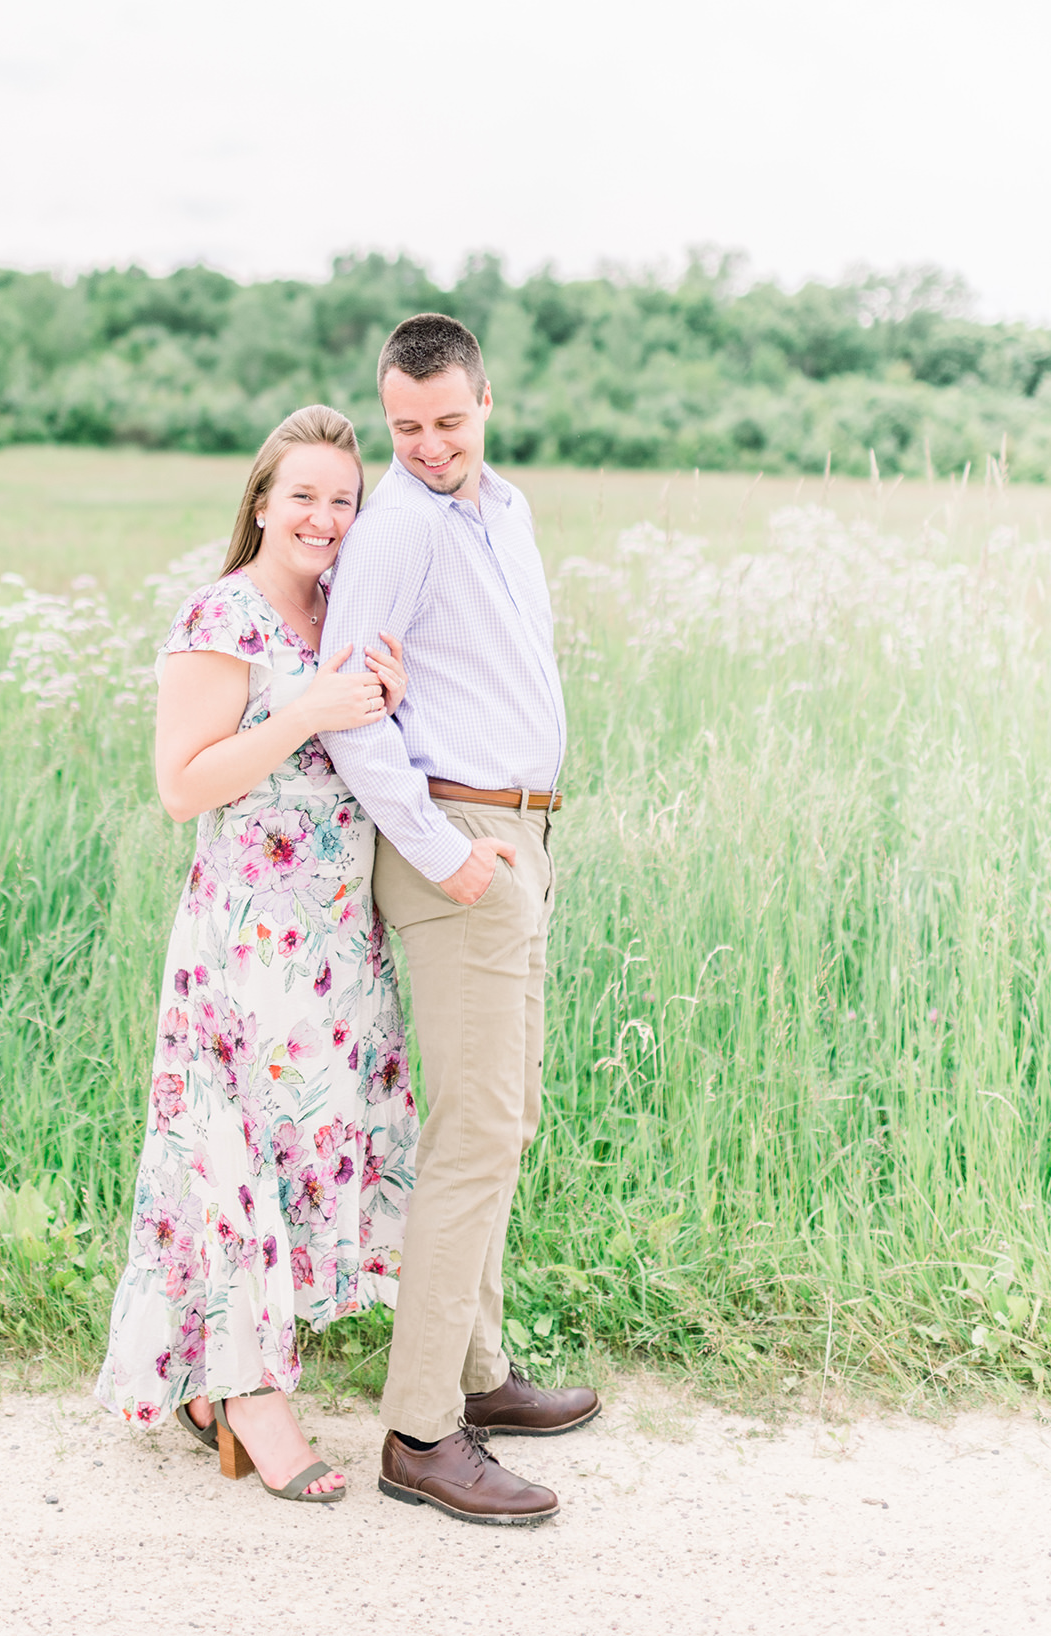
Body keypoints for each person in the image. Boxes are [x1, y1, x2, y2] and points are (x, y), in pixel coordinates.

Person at [96, 404, 418, 1506]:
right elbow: (182, 785)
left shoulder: (345, 615)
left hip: (337, 941)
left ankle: (221, 1381)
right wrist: (308, 711)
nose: (324, 517)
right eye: (304, 497)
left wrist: (382, 700)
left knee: (304, 1151)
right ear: (262, 504)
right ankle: (249, 1398)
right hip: (248, 940)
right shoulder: (221, 616)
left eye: (342, 499)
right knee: (236, 1159)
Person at [319, 313, 599, 1528]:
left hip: (519, 835)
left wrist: (520, 843)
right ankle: (421, 1429)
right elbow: (348, 711)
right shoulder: (392, 533)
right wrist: (446, 854)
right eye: (404, 428)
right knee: (475, 1132)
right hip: (454, 848)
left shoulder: (510, 509)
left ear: (485, 400)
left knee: (502, 1118)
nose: (428, 447)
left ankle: (478, 1376)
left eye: (447, 421)